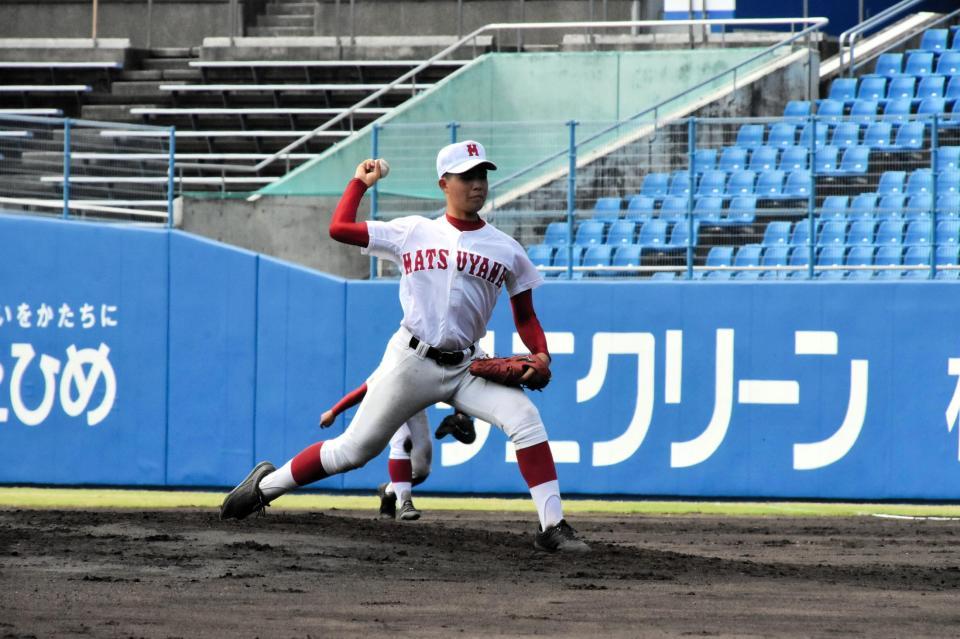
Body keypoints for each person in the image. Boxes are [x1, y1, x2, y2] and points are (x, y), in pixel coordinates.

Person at [220, 140, 589, 553]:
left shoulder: (506, 248)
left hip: (468, 365)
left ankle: (553, 526)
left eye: (482, 174)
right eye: (467, 176)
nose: (477, 183)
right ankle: (265, 487)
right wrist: (358, 185)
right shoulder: (413, 230)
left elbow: (525, 316)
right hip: (412, 359)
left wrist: (541, 354)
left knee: (526, 419)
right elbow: (339, 229)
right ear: (444, 183)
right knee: (353, 451)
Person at [319, 381, 477, 521]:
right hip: (388, 403)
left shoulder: (436, 358)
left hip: (414, 406)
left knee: (421, 471)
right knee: (402, 442)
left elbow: (454, 382)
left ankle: (388, 492)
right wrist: (334, 411)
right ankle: (406, 503)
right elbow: (365, 389)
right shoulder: (401, 358)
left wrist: (460, 413)